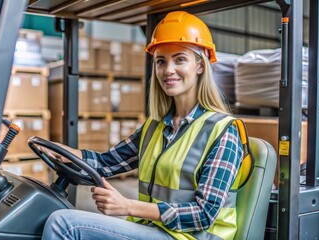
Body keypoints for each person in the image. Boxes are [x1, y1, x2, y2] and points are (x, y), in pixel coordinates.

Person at [41, 11, 251, 240]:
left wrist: (127, 206)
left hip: (191, 237)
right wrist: (63, 152)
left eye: (180, 59)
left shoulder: (223, 131)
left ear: (200, 66)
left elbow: (205, 213)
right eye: (161, 61)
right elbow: (105, 163)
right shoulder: (155, 127)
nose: (168, 70)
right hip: (153, 230)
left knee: (65, 224)